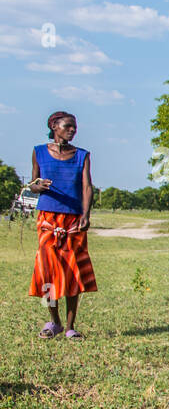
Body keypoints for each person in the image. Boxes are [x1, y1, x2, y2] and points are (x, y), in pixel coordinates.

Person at [29, 111, 96, 339]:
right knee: (48, 271)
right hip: (47, 218)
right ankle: (54, 321)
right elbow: (33, 183)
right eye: (68, 126)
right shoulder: (39, 152)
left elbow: (87, 186)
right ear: (54, 126)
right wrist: (38, 187)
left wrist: (85, 214)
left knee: (72, 270)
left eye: (74, 127)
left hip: (74, 219)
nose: (72, 130)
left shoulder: (82, 155)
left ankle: (70, 326)